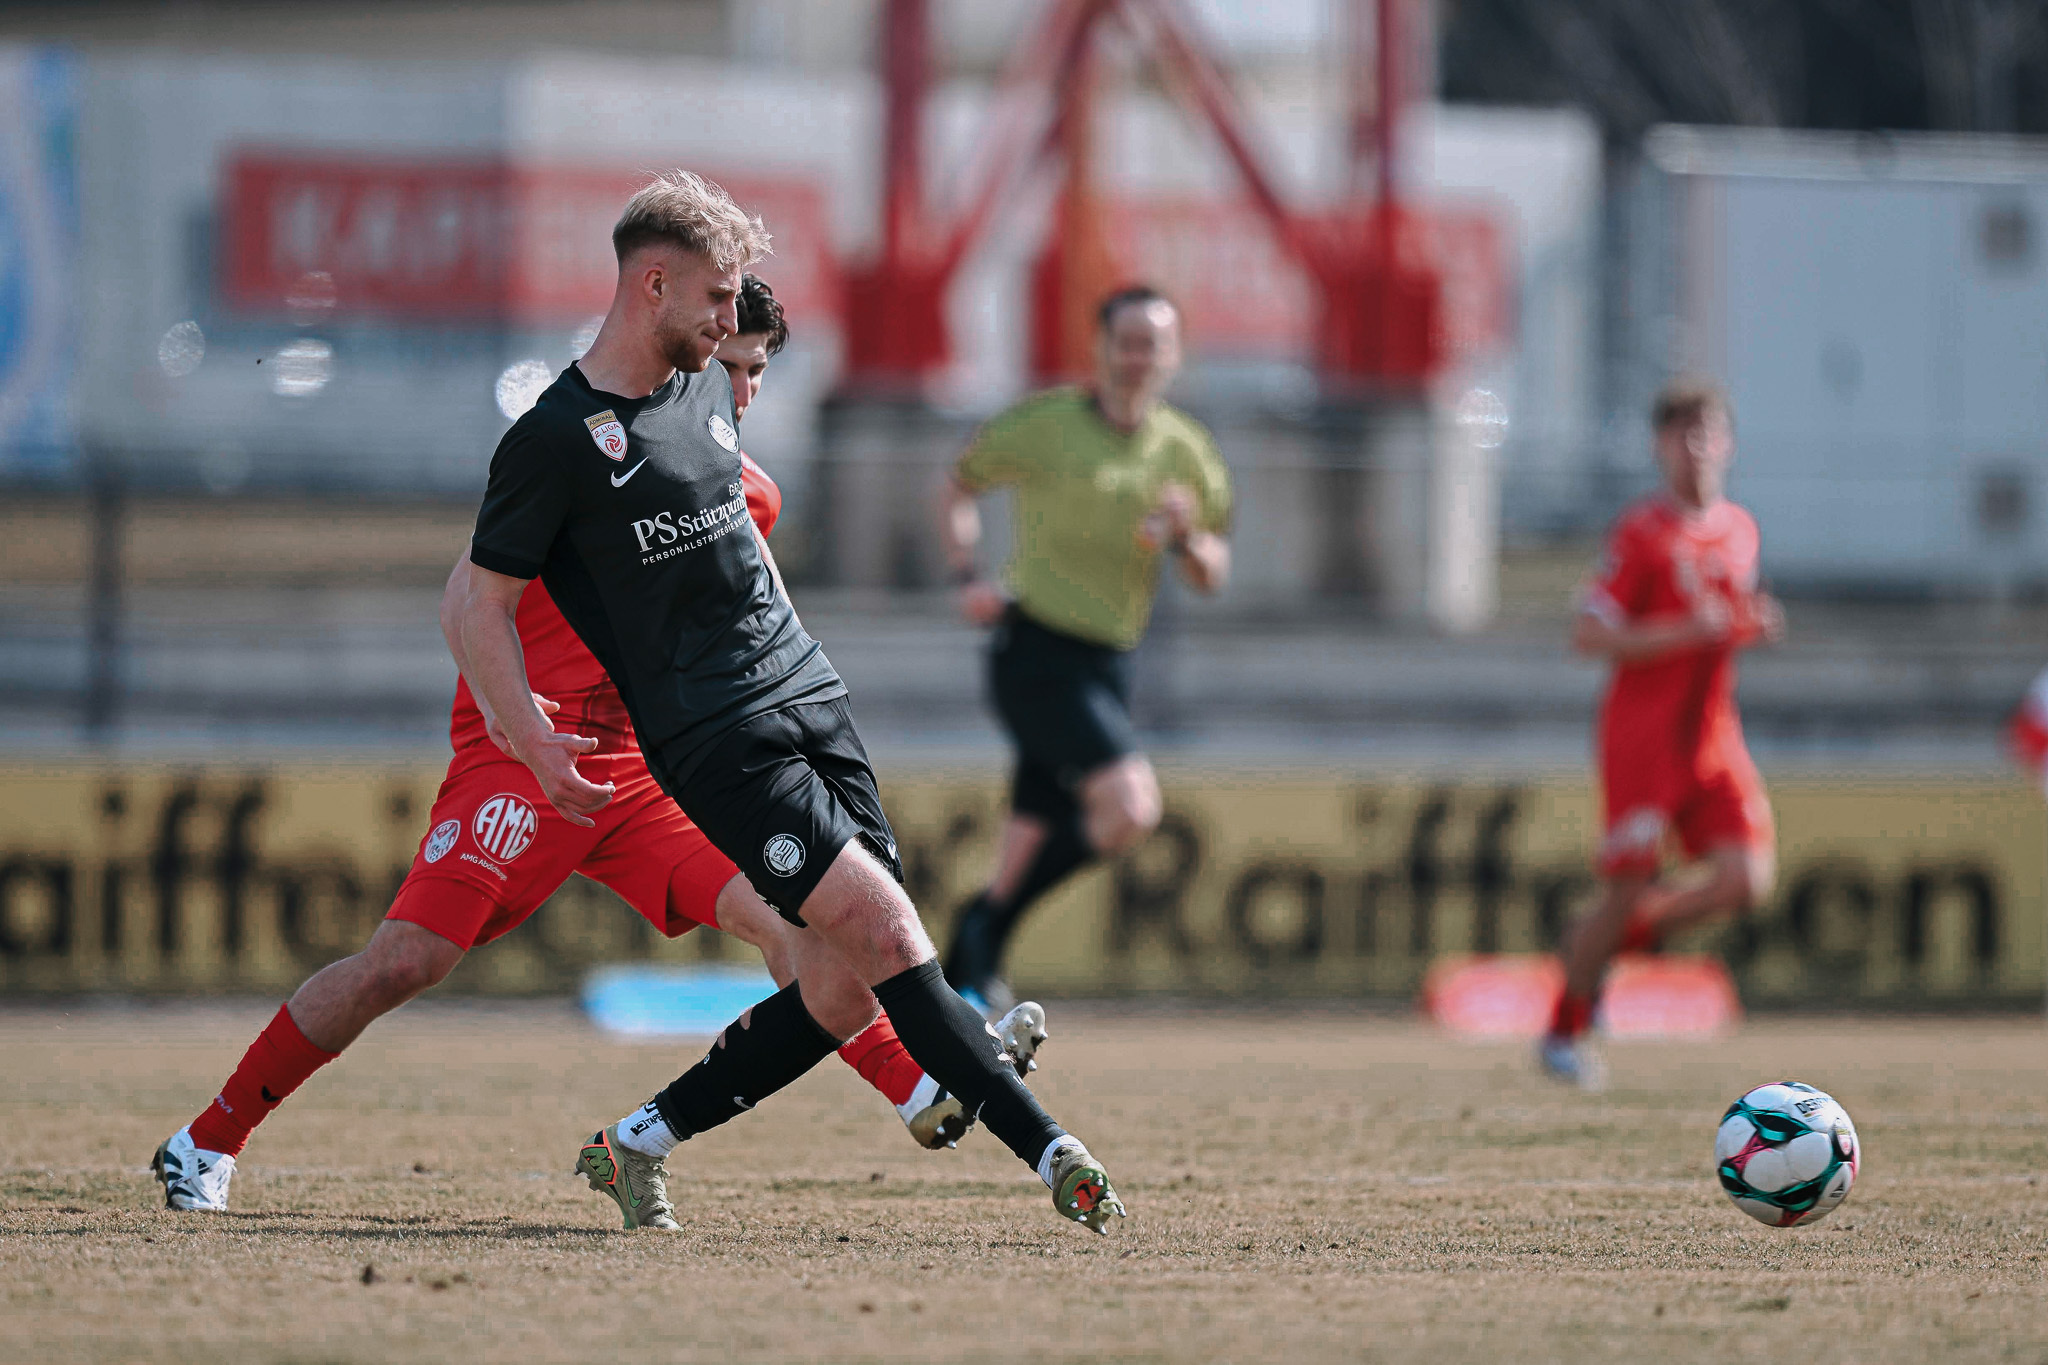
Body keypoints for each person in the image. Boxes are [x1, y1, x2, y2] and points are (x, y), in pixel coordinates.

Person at [150, 271, 1039, 1219]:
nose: (739, 391)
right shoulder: (583, 454)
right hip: (525, 759)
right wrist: (524, 731)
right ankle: (205, 1140)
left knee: (801, 924)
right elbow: (470, 598)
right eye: (727, 364)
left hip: (648, 768)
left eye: (757, 371)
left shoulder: (753, 499)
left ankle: (916, 1085)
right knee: (404, 962)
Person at [453, 171, 1123, 1234]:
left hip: (812, 696)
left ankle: (636, 1144)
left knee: (843, 979)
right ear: (653, 286)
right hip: (716, 741)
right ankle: (1049, 1149)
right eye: (719, 299)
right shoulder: (555, 440)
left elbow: (738, 406)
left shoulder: (701, 384)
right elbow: (471, 605)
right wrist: (531, 741)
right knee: (889, 933)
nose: (733, 323)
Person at [936, 286, 1232, 1016]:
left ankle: (971, 966)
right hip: (1035, 648)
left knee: (1029, 834)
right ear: (1099, 349)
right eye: (1125, 341)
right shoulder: (1047, 423)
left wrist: (1190, 536)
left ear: (1173, 355)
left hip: (1110, 660)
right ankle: (984, 928)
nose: (1137, 358)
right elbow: (958, 485)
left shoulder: (1183, 449)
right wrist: (968, 575)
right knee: (1130, 809)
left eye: (1152, 344)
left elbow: (1211, 573)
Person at [1541, 379, 1784, 1089]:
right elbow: (1589, 634)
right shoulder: (1641, 532)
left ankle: (1623, 933)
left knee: (1748, 879)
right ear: (1660, 446)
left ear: (1728, 443)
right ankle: (1563, 1028)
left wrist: (1753, 626)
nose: (1697, 446)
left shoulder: (1741, 528)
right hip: (1643, 738)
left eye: (1708, 431)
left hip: (1713, 734)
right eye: (1682, 433)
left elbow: (1724, 618)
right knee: (1623, 887)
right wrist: (1687, 630)